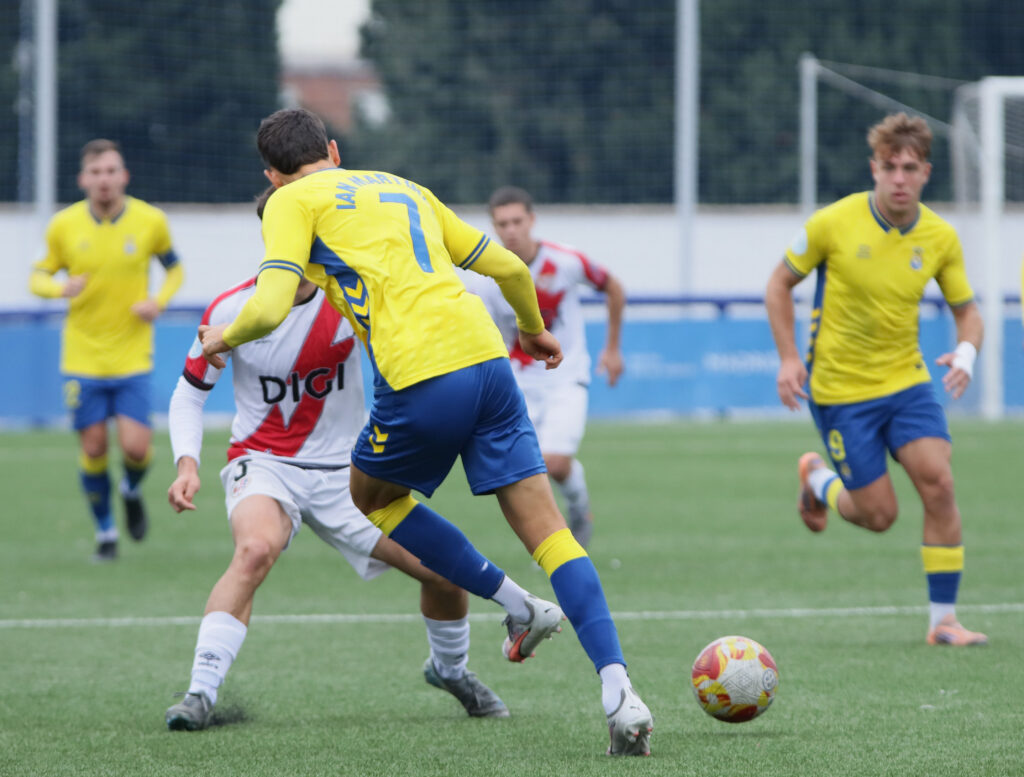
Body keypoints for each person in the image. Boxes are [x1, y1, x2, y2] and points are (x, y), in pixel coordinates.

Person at [198, 108, 653, 755]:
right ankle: (619, 691)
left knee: (373, 497)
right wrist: (530, 328)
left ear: (271, 175)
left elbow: (270, 304)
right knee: (551, 533)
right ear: (333, 148)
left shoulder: (289, 201)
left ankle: (517, 604)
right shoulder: (402, 186)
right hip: (491, 364)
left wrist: (222, 334)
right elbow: (514, 272)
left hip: (419, 378)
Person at [765, 112, 987, 647]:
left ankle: (943, 622)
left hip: (907, 382)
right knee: (879, 515)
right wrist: (790, 358)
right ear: (875, 168)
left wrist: (965, 353)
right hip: (841, 392)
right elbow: (778, 285)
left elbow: (969, 313)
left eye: (910, 168)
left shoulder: (939, 237)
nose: (900, 178)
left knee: (940, 482)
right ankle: (817, 479)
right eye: (891, 167)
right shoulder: (833, 223)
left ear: (926, 172)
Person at [29, 139, 184, 562]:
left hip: (132, 354)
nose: (104, 180)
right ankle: (105, 532)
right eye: (95, 173)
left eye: (111, 171)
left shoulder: (150, 221)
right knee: (94, 447)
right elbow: (37, 277)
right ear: (83, 179)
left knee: (137, 448)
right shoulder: (64, 226)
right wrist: (61, 287)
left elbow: (175, 269)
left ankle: (130, 490)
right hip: (82, 357)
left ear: (124, 176)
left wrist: (159, 303)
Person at [474, 185, 625, 547]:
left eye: (517, 221)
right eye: (502, 223)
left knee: (554, 463)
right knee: (523, 472)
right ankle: (553, 542)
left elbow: (613, 287)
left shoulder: (565, 262)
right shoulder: (486, 277)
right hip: (518, 380)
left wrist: (613, 348)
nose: (511, 230)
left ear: (532, 220)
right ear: (494, 228)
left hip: (566, 375)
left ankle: (577, 505)